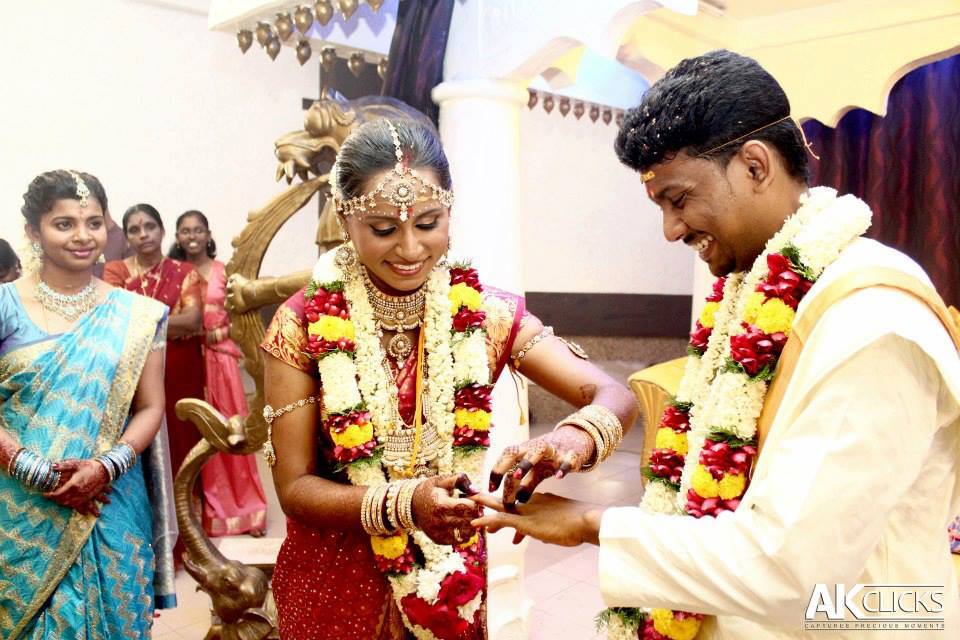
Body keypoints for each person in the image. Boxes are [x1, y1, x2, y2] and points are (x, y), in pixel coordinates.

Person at [472, 50, 960, 638]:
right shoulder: (749, 296)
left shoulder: (872, 322)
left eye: (679, 200)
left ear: (754, 166)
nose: (671, 230)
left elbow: (790, 575)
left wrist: (590, 522)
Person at [261, 117, 637, 639]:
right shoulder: (301, 322)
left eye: (428, 222)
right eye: (384, 229)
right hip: (334, 582)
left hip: (449, 578)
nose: (411, 249)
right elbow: (295, 487)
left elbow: (612, 392)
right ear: (346, 221)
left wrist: (571, 438)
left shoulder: (486, 314)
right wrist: (405, 505)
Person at [0, 170, 176, 638]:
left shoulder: (137, 313)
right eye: (64, 224)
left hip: (109, 501)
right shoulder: (4, 304)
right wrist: (30, 468)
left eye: (93, 223)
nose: (82, 236)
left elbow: (150, 407)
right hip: (15, 504)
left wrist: (105, 466)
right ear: (34, 231)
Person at [170, 210, 268, 537]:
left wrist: (223, 335)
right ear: (178, 236)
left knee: (232, 429)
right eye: (185, 231)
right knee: (196, 434)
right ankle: (207, 510)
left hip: (220, 361)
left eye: (198, 229)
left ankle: (248, 510)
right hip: (187, 362)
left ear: (207, 233)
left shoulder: (224, 270)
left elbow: (240, 311)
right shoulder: (175, 274)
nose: (192, 236)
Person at [104, 205, 204, 478]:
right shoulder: (115, 272)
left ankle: (186, 509)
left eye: (149, 227)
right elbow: (118, 322)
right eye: (135, 230)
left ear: (161, 230)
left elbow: (193, 321)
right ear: (127, 237)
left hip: (181, 369)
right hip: (134, 370)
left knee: (184, 435)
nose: (143, 234)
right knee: (140, 438)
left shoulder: (184, 271)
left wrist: (141, 324)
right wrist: (171, 323)